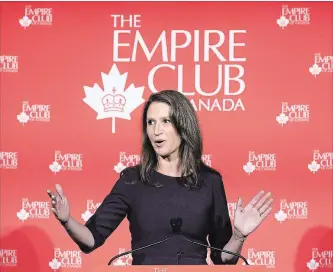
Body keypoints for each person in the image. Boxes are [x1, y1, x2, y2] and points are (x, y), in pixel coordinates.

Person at [47, 90, 273, 265]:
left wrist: (240, 235)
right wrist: (67, 221)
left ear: (183, 126)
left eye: (166, 121)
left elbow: (223, 258)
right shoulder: (132, 180)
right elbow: (90, 239)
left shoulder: (210, 181)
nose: (156, 131)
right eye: (150, 122)